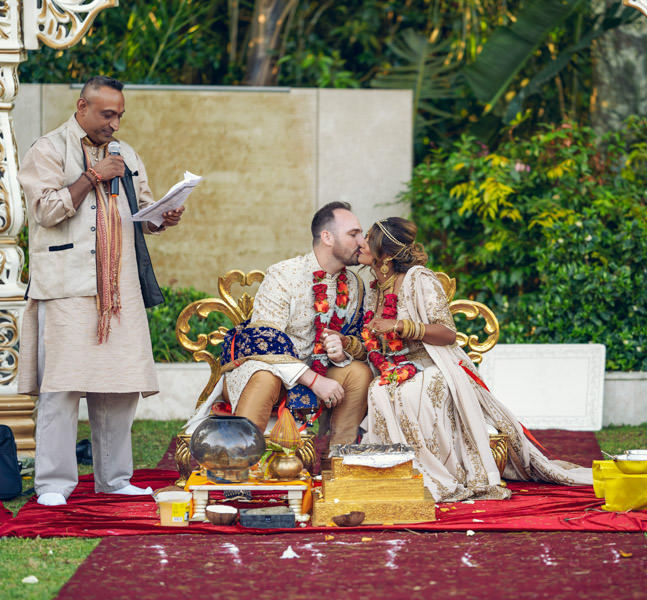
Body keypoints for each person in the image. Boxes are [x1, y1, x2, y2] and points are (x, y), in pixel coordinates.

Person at [17, 76, 185, 506]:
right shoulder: (48, 149)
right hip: (67, 288)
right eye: (107, 115)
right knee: (61, 389)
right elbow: (44, 210)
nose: (115, 124)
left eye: (119, 116)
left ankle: (114, 479)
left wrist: (162, 217)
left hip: (120, 289)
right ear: (82, 107)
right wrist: (92, 176)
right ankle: (53, 484)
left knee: (119, 386)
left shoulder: (125, 153)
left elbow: (141, 209)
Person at [349, 216, 591, 502]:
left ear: (386, 253)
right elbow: (374, 342)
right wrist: (348, 345)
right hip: (394, 368)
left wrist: (401, 326)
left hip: (434, 364)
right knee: (378, 390)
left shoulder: (419, 278)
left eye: (368, 237)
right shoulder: (373, 289)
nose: (362, 242)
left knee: (409, 392)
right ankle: (395, 470)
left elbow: (447, 333)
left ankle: (434, 474)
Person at [211, 202, 373, 448]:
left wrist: (342, 349)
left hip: (321, 369)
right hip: (266, 371)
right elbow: (265, 343)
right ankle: (241, 460)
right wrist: (314, 381)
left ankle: (339, 459)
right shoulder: (284, 274)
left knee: (359, 373)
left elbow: (360, 341)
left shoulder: (354, 284)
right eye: (354, 234)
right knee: (265, 376)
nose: (362, 242)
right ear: (327, 237)